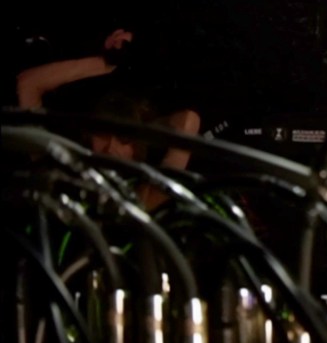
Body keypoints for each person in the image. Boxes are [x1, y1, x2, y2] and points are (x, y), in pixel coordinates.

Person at [15, 28, 202, 209]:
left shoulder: (138, 200)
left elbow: (187, 121)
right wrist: (106, 63)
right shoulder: (59, 171)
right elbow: (28, 84)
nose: (110, 147)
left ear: (138, 146)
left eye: (123, 138)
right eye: (102, 134)